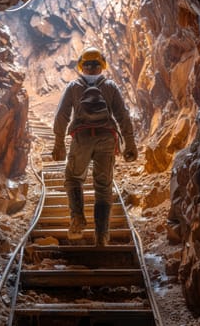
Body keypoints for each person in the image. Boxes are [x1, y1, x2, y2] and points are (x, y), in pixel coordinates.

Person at [52, 46, 138, 246]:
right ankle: (101, 235)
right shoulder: (110, 86)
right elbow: (123, 116)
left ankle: (77, 218)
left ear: (82, 67)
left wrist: (59, 143)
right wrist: (130, 143)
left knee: (73, 178)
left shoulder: (74, 87)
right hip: (107, 139)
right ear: (102, 66)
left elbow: (61, 116)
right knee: (103, 187)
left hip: (81, 139)